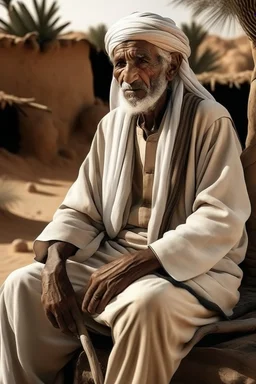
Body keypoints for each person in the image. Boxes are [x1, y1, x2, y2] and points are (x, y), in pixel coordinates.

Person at [0, 12, 251, 384]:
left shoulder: (209, 121)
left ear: (172, 66)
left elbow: (220, 216)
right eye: (120, 63)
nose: (129, 76)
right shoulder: (112, 125)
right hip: (114, 254)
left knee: (144, 306)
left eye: (141, 61)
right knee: (21, 286)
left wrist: (141, 261)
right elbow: (81, 207)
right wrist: (54, 263)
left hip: (194, 267)